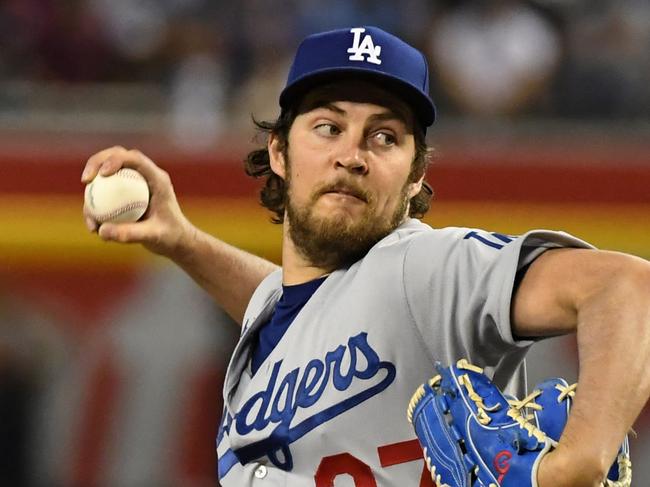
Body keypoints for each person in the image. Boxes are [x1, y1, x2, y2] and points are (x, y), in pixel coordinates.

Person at [81, 26, 650, 487]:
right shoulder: (284, 317)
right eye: (328, 127)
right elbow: (298, 307)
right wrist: (182, 240)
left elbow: (628, 286)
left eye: (383, 137)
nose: (352, 155)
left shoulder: (426, 266)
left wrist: (577, 463)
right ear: (278, 151)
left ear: (415, 175)